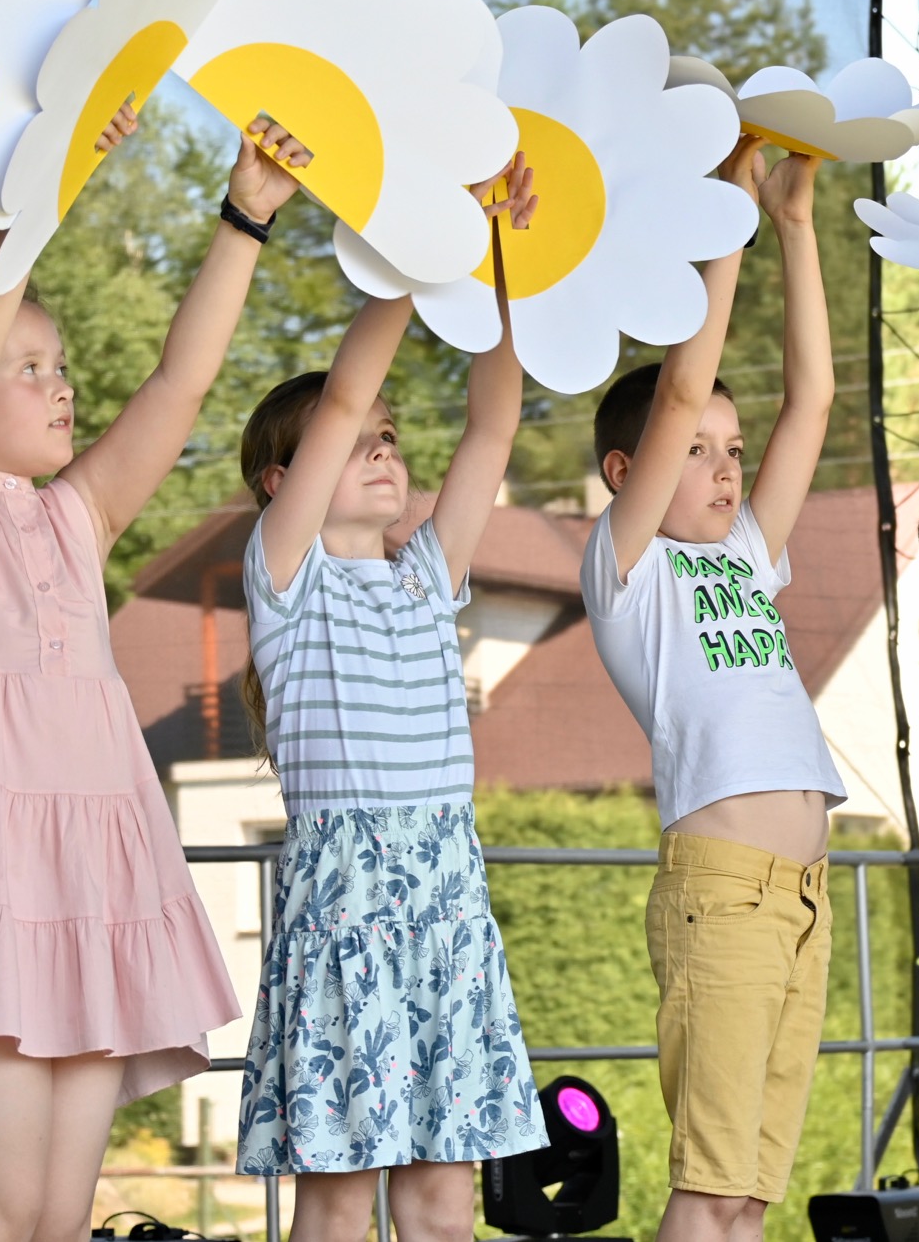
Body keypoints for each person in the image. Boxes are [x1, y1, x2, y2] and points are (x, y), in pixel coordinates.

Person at [0, 44, 309, 1241]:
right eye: (34, 367)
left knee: (58, 1223)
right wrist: (45, 186)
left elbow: (181, 378)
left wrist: (245, 217)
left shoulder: (75, 519)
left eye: (61, 366)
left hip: (93, 878)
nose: (60, 386)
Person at [233, 158, 546, 1239]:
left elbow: (494, 420)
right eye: (356, 445)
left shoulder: (424, 574)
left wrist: (496, 246)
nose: (380, 451)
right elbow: (350, 393)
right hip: (348, 900)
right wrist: (418, 248)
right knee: (335, 1184)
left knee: (439, 1188)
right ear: (284, 483)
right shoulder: (287, 578)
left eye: (388, 445)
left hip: (447, 892)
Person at [580, 137, 840, 1242]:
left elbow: (814, 400)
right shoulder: (628, 561)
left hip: (802, 892)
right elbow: (683, 378)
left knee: (746, 1190)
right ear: (625, 472)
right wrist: (725, 228)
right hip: (723, 886)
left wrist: (791, 224)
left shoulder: (740, 548)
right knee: (705, 1180)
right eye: (696, 448)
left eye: (729, 449)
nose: (725, 465)